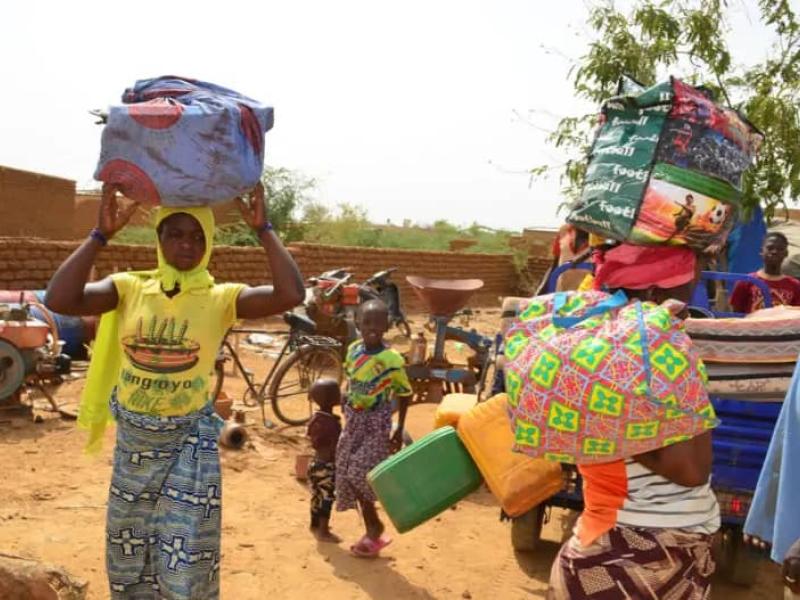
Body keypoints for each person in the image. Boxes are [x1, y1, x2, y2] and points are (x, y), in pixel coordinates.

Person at [44, 182, 304, 599]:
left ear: (210, 242)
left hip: (188, 445)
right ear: (159, 238)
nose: (188, 244)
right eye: (177, 234)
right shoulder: (128, 287)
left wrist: (264, 229)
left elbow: (292, 293)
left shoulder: (221, 297)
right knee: (128, 552)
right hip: (135, 448)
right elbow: (60, 298)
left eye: (199, 236)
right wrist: (100, 236)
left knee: (185, 557)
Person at [548, 244, 720, 599]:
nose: (695, 291)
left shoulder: (591, 343)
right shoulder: (652, 352)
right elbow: (691, 469)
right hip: (638, 558)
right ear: (656, 293)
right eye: (691, 281)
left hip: (607, 550)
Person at [336, 299, 413, 558]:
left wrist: (398, 428)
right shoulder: (354, 350)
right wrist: (345, 396)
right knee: (346, 470)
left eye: (378, 323)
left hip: (376, 424)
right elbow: (349, 378)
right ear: (358, 323)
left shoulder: (391, 359)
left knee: (359, 472)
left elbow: (404, 394)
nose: (372, 327)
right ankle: (372, 528)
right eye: (366, 322)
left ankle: (375, 526)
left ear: (387, 326)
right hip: (353, 420)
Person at [306, 378, 343, 543]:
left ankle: (314, 524)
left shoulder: (316, 418)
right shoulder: (331, 423)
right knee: (327, 498)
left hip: (315, 463)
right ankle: (323, 531)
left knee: (316, 496)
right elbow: (336, 444)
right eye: (337, 392)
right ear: (331, 399)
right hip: (327, 466)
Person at [731, 232, 800, 313]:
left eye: (780, 249)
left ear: (786, 253)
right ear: (761, 251)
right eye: (770, 248)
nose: (774, 252)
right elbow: (736, 314)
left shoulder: (795, 286)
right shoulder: (746, 282)